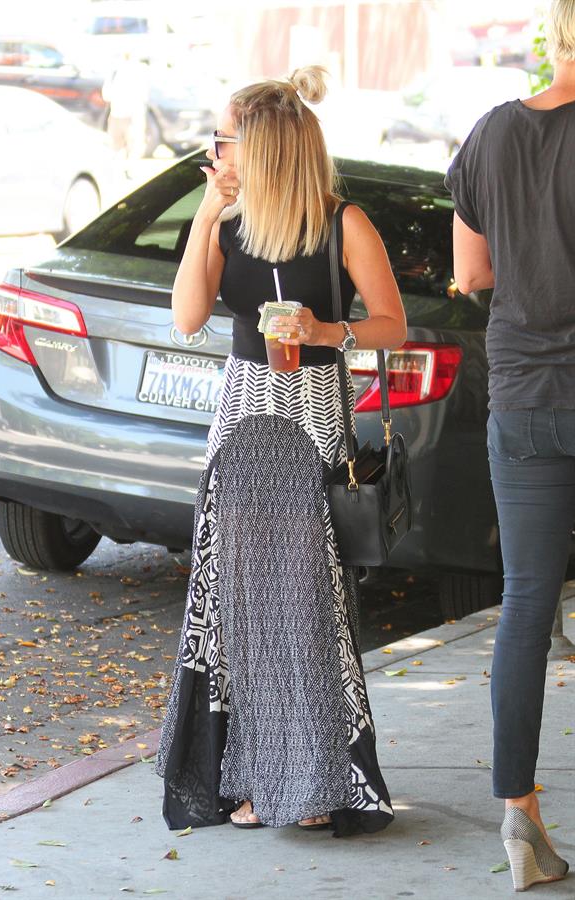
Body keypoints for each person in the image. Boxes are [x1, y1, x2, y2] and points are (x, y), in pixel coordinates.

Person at [155, 65, 406, 837]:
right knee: (237, 606)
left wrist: (332, 332)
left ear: (266, 147)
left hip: (309, 423)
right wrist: (205, 213)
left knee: (305, 606)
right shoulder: (227, 221)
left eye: (226, 139)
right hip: (241, 421)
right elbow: (188, 318)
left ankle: (318, 778)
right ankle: (249, 777)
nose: (216, 151)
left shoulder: (343, 222)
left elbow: (393, 322)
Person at [445, 0, 574, 890]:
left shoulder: (489, 134)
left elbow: (470, 274)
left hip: (524, 395)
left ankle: (518, 813)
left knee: (528, 604)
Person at [102, 52, 149, 168]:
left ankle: (128, 170)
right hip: (119, 116)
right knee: (122, 149)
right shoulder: (116, 72)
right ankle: (125, 170)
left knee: (130, 149)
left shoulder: (137, 71)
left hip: (129, 116)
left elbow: (143, 95)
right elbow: (106, 95)